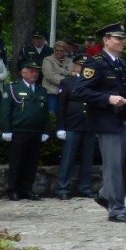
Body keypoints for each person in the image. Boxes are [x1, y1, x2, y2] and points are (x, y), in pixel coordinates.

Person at [73, 22, 126, 224]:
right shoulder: (95, 63)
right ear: (106, 40)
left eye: (123, 38)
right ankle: (116, 210)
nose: (122, 42)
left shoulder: (121, 64)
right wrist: (107, 98)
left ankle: (106, 193)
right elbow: (80, 90)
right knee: (114, 166)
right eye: (118, 38)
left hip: (124, 119)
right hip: (107, 121)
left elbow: (124, 93)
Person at [0, 59, 50, 200]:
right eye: (32, 71)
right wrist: (6, 130)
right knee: (17, 162)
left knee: (31, 162)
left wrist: (46, 130)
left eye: (36, 72)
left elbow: (45, 113)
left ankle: (27, 189)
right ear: (23, 73)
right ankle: (13, 190)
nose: (35, 74)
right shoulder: (13, 88)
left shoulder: (41, 90)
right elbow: (5, 111)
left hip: (36, 131)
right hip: (19, 131)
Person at [54, 56, 96, 200]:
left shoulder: (93, 82)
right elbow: (61, 106)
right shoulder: (67, 82)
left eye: (86, 66)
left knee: (87, 159)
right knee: (68, 158)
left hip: (89, 125)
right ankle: (62, 188)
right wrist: (60, 126)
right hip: (72, 124)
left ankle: (85, 187)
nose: (83, 68)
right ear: (75, 67)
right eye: (80, 65)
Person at [41, 40, 72, 115]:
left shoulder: (71, 61)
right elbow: (50, 76)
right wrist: (67, 80)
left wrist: (58, 74)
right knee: (52, 115)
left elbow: (73, 74)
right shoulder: (47, 60)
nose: (58, 52)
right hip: (52, 93)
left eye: (61, 51)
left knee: (66, 115)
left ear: (65, 51)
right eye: (57, 50)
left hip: (66, 94)